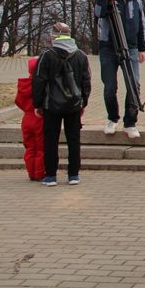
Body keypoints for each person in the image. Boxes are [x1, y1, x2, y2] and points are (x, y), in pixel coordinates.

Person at [32, 22, 91, 187]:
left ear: (54, 36)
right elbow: (86, 81)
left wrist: (37, 103)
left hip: (51, 105)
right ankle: (73, 174)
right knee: (74, 139)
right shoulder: (81, 55)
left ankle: (51, 175)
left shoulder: (47, 55)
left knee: (50, 139)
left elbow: (39, 80)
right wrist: (83, 102)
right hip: (74, 104)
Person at [94, 0, 145, 139]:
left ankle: (130, 122)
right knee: (110, 87)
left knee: (134, 84)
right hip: (108, 48)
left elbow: (141, 25)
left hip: (130, 47)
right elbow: (99, 13)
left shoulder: (135, 0)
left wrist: (141, 48)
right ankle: (112, 118)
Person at [15, 57, 43, 181]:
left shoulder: (23, 84)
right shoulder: (41, 84)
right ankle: (40, 173)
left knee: (30, 147)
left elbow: (18, 101)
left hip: (26, 118)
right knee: (41, 148)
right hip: (40, 118)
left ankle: (31, 173)